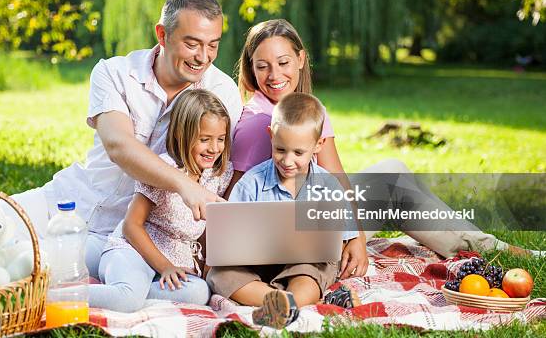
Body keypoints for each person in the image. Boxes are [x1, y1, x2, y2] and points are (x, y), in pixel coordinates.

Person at [229, 19, 539, 272]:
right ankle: (489, 248)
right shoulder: (260, 123)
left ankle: (469, 241)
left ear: (300, 59)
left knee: (395, 172)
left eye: (282, 62)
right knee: (393, 182)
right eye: (262, 66)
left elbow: (334, 177)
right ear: (251, 69)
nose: (274, 75)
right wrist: (351, 238)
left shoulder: (304, 110)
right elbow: (239, 201)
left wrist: (356, 235)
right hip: (292, 237)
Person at [5, 0, 242, 278]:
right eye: (192, 44)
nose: (203, 57)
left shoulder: (221, 93)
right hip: (70, 201)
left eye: (212, 46)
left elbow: (217, 170)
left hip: (126, 236)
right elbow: (119, 146)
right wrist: (184, 185)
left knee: (23, 263)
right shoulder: (115, 72)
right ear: (163, 35)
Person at [207, 93, 358, 329]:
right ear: (270, 136)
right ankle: (286, 303)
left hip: (305, 263)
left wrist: (349, 240)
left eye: (298, 153)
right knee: (221, 275)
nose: (288, 161)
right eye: (280, 150)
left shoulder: (328, 185)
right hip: (257, 265)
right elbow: (231, 234)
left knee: (311, 275)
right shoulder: (251, 183)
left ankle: (285, 302)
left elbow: (345, 233)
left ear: (318, 145)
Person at [89, 90, 233, 312]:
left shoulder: (217, 176)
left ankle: (135, 291)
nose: (214, 148)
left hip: (170, 266)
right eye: (204, 139)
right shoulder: (164, 169)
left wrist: (189, 266)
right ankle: (55, 296)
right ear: (181, 135)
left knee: (200, 292)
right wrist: (165, 267)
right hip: (133, 251)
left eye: (220, 139)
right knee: (127, 298)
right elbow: (131, 226)